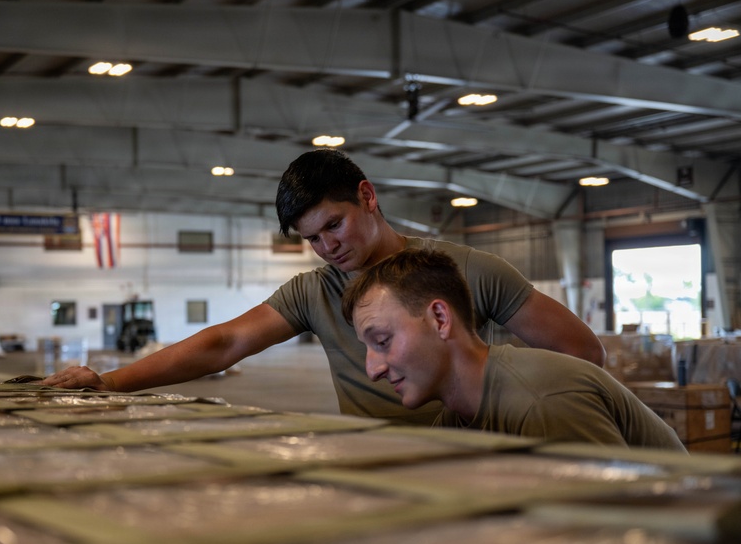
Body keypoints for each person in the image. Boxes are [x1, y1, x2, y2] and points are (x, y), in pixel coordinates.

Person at [43, 149, 605, 424]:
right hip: (377, 473)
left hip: (478, 462)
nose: (328, 246)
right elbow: (224, 345)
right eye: (312, 239)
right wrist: (110, 384)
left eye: (333, 225)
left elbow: (581, 350)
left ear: (367, 196)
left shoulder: (466, 271)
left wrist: (516, 418)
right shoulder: (313, 294)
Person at [341, 247, 686, 450]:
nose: (373, 370)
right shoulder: (455, 421)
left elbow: (614, 539)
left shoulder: (543, 403)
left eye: (382, 342)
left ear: (440, 318)